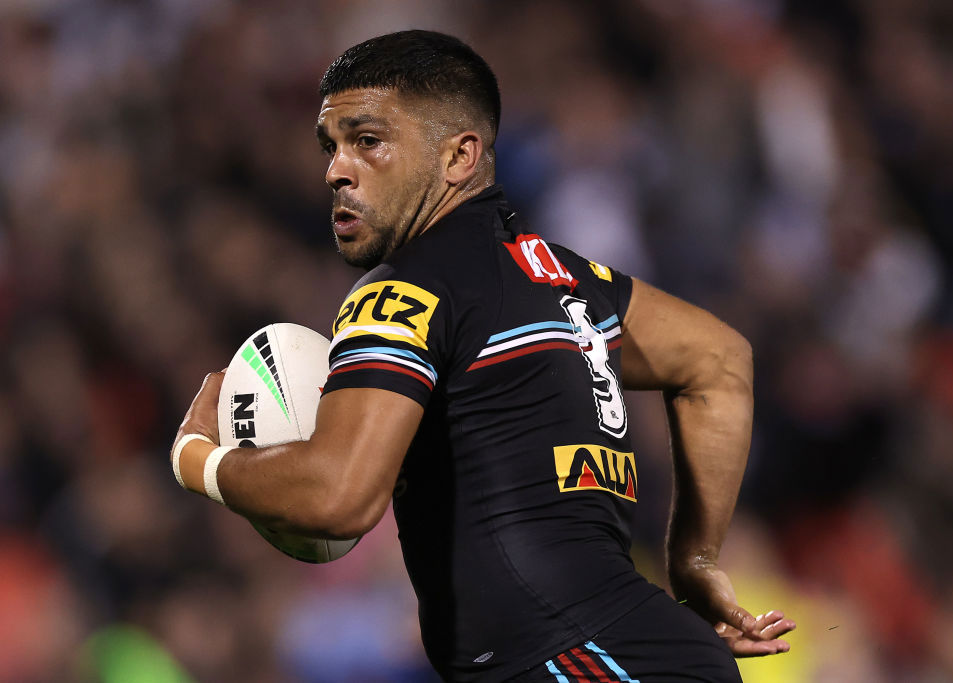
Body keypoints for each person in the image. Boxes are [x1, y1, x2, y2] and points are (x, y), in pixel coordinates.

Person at [170, 30, 795, 682]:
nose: (336, 169)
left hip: (579, 663)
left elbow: (338, 497)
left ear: (459, 156)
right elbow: (718, 360)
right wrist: (693, 564)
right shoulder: (570, 279)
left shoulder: (401, 291)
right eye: (331, 146)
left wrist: (200, 459)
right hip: (643, 651)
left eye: (368, 141)